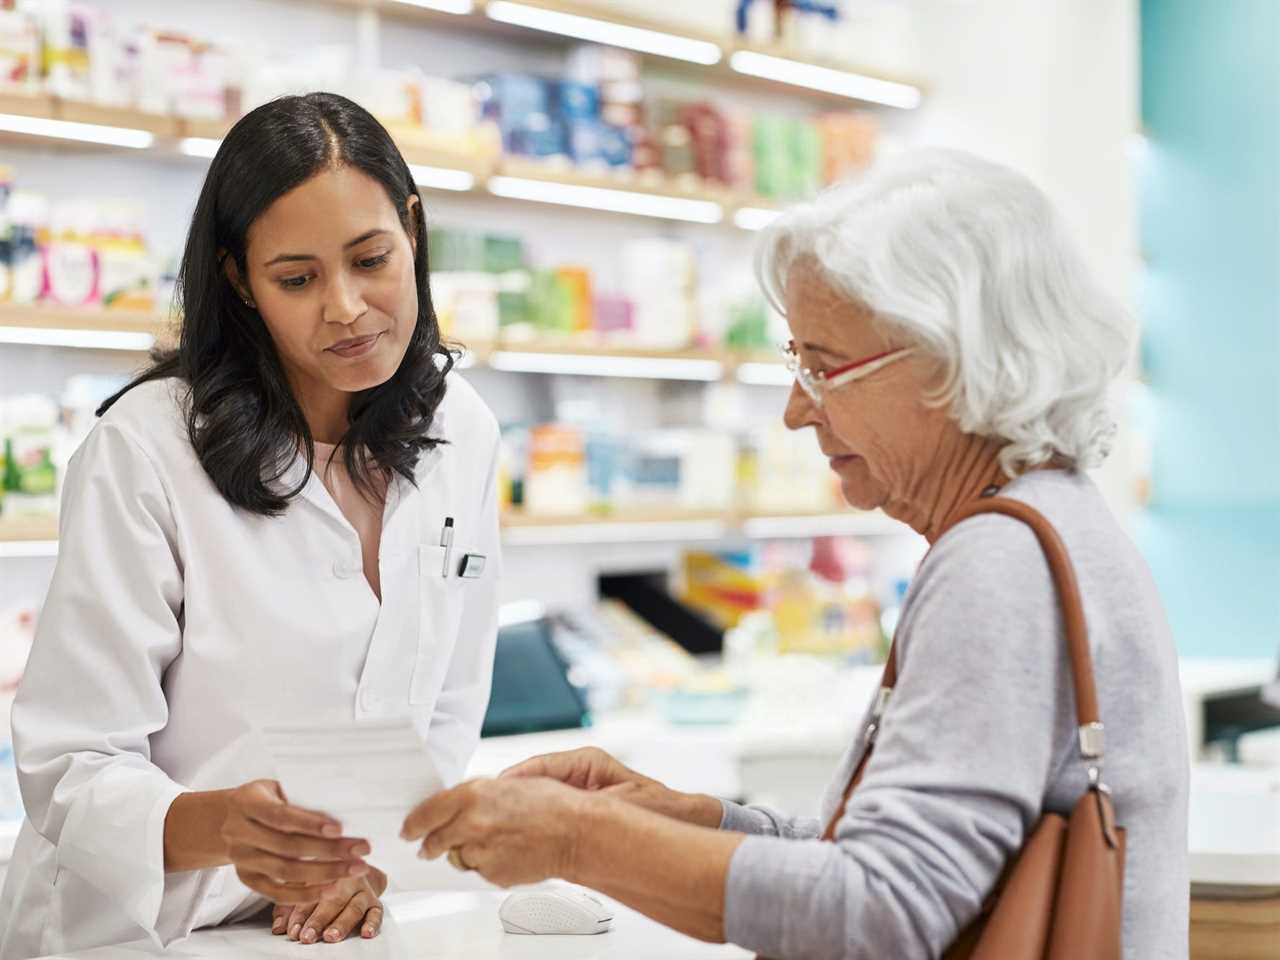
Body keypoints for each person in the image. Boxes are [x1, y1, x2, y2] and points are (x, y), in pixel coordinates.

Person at [399, 149, 1190, 959]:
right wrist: (692, 822)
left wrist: (582, 839)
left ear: (953, 362)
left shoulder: (999, 561)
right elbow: (917, 865)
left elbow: (882, 914)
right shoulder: (1054, 520)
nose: (794, 412)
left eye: (823, 366)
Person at [0, 93, 502, 959]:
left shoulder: (467, 430)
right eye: (298, 278)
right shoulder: (148, 450)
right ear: (240, 280)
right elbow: (70, 759)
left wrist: (369, 861)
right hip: (129, 935)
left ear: (412, 232)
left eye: (371, 259)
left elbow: (447, 708)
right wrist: (218, 826)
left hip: (323, 931)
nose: (345, 306)